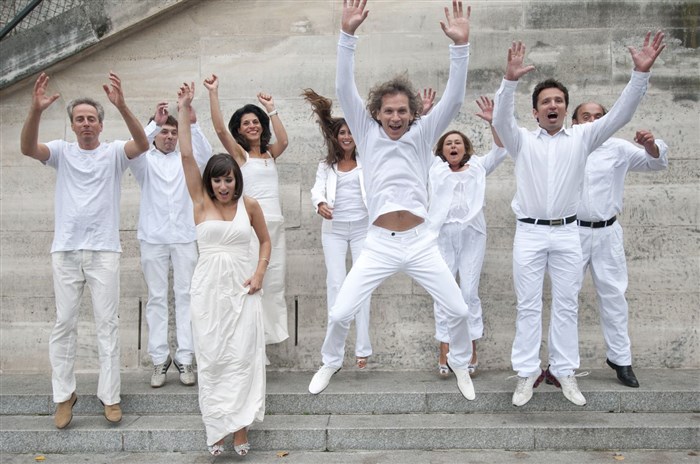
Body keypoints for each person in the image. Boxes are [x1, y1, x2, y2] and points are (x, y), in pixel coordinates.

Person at [309, 0, 477, 401]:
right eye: (389, 111)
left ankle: (459, 362)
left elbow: (454, 101)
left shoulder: (422, 134)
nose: (396, 117)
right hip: (379, 244)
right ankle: (330, 361)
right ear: (377, 113)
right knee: (340, 311)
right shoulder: (366, 134)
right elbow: (343, 88)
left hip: (420, 243)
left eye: (402, 111)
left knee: (459, 310)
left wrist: (460, 48)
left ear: (413, 113)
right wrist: (347, 35)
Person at [491, 33, 665, 407]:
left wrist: (640, 75)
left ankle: (564, 370)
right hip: (530, 233)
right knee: (528, 305)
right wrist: (509, 81)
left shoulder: (582, 138)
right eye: (545, 102)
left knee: (567, 304)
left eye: (558, 100)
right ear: (535, 112)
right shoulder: (521, 141)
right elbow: (501, 120)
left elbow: (620, 115)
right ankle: (527, 373)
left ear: (565, 108)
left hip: (568, 233)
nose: (552, 105)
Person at [20, 71, 149, 428]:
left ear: (100, 124)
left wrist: (122, 106)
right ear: (73, 125)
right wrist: (35, 110)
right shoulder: (61, 152)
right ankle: (64, 396)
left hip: (104, 251)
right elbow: (28, 148)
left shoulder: (114, 153)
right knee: (65, 323)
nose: (86, 123)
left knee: (107, 324)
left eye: (92, 118)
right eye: (80, 119)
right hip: (65, 250)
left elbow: (142, 144)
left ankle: (111, 396)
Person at [177, 82, 270, 457]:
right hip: (208, 292)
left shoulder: (251, 205)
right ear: (209, 182)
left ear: (236, 179)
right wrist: (183, 109)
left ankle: (240, 429)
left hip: (243, 289)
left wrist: (260, 273)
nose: (223, 185)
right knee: (213, 360)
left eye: (228, 178)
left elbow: (265, 242)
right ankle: (216, 428)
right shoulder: (200, 202)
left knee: (242, 359)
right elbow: (186, 155)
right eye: (217, 179)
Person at [572, 102, 668, 388]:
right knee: (566, 297)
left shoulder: (618, 148)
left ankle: (621, 359)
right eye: (586, 116)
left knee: (613, 296)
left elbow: (655, 163)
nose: (593, 120)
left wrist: (651, 145)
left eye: (599, 116)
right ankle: (560, 362)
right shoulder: (566, 146)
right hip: (572, 232)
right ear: (574, 122)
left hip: (607, 231)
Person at [129, 101, 213, 388]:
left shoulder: (184, 159)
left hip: (184, 235)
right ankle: (159, 358)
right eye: (164, 132)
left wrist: (193, 123)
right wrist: (154, 123)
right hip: (152, 237)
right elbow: (134, 147)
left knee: (187, 295)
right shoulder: (144, 160)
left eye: (173, 132)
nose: (169, 137)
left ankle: (186, 357)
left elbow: (205, 155)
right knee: (156, 297)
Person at [204, 75, 289, 347]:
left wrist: (271, 109)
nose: (252, 126)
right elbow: (220, 130)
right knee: (251, 283)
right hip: (252, 227)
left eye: (255, 122)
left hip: (275, 226)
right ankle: (249, 343)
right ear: (240, 130)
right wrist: (213, 93)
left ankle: (265, 339)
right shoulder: (242, 155)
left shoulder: (270, 154)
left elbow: (284, 141)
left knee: (274, 284)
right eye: (246, 123)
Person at [428, 96, 507, 378]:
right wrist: (427, 115)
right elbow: (418, 145)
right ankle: (445, 347)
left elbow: (501, 149)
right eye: (448, 143)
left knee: (469, 292)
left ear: (465, 148)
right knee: (444, 290)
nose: (453, 146)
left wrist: (494, 122)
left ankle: (471, 347)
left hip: (472, 234)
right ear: (442, 149)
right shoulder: (434, 168)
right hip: (442, 234)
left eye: (457, 143)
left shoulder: (478, 167)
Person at [305, 88, 373, 369]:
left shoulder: (367, 161)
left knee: (362, 285)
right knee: (336, 284)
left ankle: (363, 348)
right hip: (334, 231)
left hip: (362, 230)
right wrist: (320, 203)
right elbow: (316, 189)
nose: (347, 137)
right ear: (336, 137)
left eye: (351, 132)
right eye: (342, 133)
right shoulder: (327, 165)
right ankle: (334, 352)